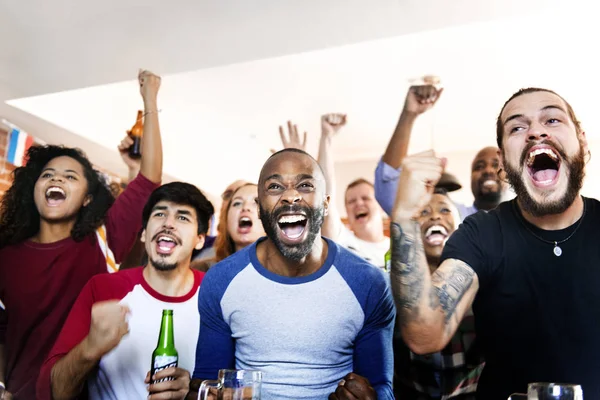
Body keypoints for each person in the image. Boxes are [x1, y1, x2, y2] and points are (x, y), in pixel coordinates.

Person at [389, 88, 598, 399]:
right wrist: (405, 216)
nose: (536, 132)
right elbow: (425, 334)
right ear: (503, 162)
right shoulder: (481, 233)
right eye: (517, 127)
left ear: (581, 139)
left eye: (552, 119)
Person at [0, 70, 163, 399]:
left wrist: (150, 100)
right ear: (34, 189)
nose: (56, 179)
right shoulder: (6, 255)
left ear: (88, 197)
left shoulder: (104, 239)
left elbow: (149, 178)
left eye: (70, 176)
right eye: (48, 174)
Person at [189, 148, 395, 400]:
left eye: (305, 185)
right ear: (259, 206)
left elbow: (381, 387)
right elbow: (205, 382)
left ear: (326, 204)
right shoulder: (221, 280)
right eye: (274, 187)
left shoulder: (368, 283)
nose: (290, 196)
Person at [36, 182, 214, 400]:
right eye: (159, 214)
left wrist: (194, 391)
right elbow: (54, 392)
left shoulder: (215, 297)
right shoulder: (103, 288)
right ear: (144, 233)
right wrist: (90, 348)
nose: (168, 224)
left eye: (183, 217)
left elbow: (235, 385)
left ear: (200, 240)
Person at [392, 178, 483, 399]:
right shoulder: (392, 291)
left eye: (445, 210)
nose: (434, 216)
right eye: (424, 212)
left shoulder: (485, 287)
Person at [374, 83, 504, 220]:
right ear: (470, 178)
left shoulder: (527, 219)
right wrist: (409, 115)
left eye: (496, 165)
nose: (488, 170)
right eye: (479, 167)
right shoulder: (451, 216)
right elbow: (389, 185)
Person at [317, 114, 390, 270]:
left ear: (381, 205)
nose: (358, 204)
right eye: (351, 201)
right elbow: (324, 193)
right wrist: (326, 138)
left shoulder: (397, 249)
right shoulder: (341, 239)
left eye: (365, 198)